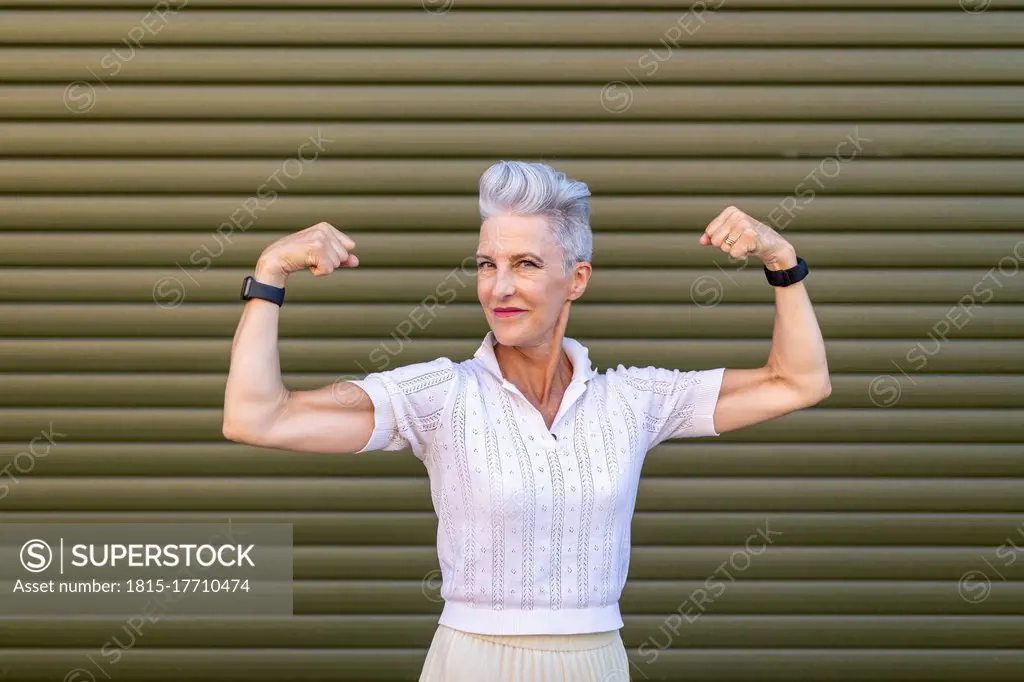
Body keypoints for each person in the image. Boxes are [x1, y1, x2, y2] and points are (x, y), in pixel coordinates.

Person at [222, 160, 831, 681]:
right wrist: (270, 273)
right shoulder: (439, 393)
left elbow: (798, 382)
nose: (500, 287)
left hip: (597, 662)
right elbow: (258, 418)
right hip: (471, 663)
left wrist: (782, 261)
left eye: (527, 265)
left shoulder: (633, 400)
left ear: (577, 280)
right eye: (487, 264)